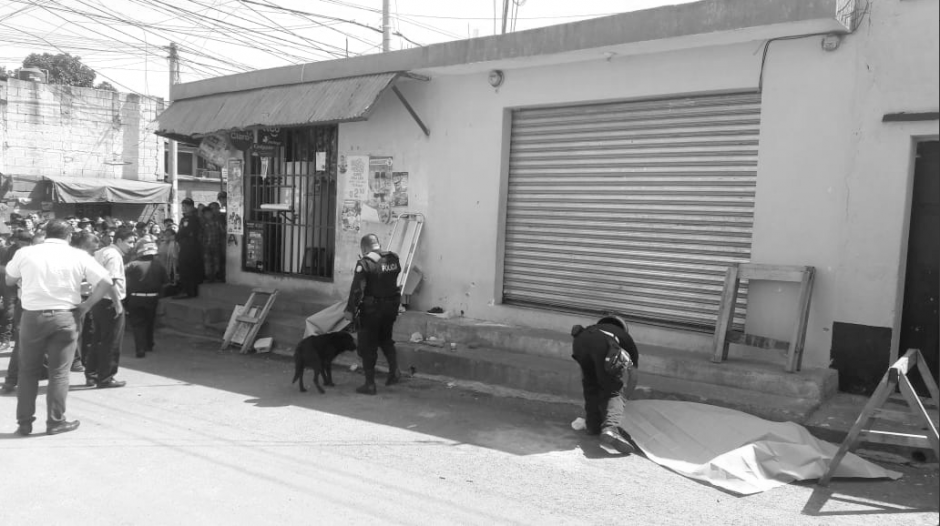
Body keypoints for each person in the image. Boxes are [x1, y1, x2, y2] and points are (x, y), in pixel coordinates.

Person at [5, 219, 117, 436]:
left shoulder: (26, 253)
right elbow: (106, 282)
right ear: (68, 236)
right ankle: (55, 422)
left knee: (28, 372)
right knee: (59, 373)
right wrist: (86, 306)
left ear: (46, 233)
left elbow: (10, 279)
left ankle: (24, 422)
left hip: (33, 317)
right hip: (66, 316)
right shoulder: (78, 255)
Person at [570, 315, 640, 455]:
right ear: (623, 329)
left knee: (590, 385)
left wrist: (592, 380)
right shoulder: (626, 339)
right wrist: (623, 399)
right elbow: (633, 376)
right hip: (603, 345)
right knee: (614, 391)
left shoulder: (593, 328)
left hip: (579, 342)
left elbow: (586, 375)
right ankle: (611, 428)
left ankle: (593, 426)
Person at [343, 234, 402, 395]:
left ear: (364, 249)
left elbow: (357, 290)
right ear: (378, 244)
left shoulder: (365, 264)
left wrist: (350, 310)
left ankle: (370, 384)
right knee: (385, 339)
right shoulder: (393, 259)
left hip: (372, 311)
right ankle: (394, 372)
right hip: (391, 309)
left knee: (367, 346)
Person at [89, 228, 135, 388]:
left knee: (98, 339)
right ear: (119, 241)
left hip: (98, 300)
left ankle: (92, 374)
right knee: (111, 341)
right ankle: (106, 377)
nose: (132, 245)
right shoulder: (114, 255)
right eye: (129, 242)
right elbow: (110, 281)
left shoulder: (102, 251)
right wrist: (117, 304)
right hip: (109, 302)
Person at [124, 242, 167, 357]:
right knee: (150, 321)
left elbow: (120, 275)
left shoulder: (132, 265)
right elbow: (165, 281)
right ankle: (149, 344)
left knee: (138, 324)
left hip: (135, 298)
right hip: (153, 298)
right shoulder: (159, 266)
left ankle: (140, 349)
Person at [175, 198, 203, 299]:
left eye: (186, 206)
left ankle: (189, 291)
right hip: (184, 246)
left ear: (191, 207)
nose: (184, 208)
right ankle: (186, 289)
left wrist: (180, 236)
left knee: (189, 269)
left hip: (192, 247)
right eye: (183, 206)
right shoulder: (184, 219)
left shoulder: (194, 218)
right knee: (183, 268)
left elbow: (187, 232)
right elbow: (180, 233)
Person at [201, 206, 223, 282]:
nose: (208, 215)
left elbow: (222, 232)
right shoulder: (203, 224)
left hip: (216, 244)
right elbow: (201, 234)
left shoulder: (217, 222)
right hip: (206, 246)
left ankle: (216, 276)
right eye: (206, 214)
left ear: (212, 213)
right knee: (207, 262)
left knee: (216, 261)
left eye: (209, 213)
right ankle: (209, 277)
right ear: (203, 215)